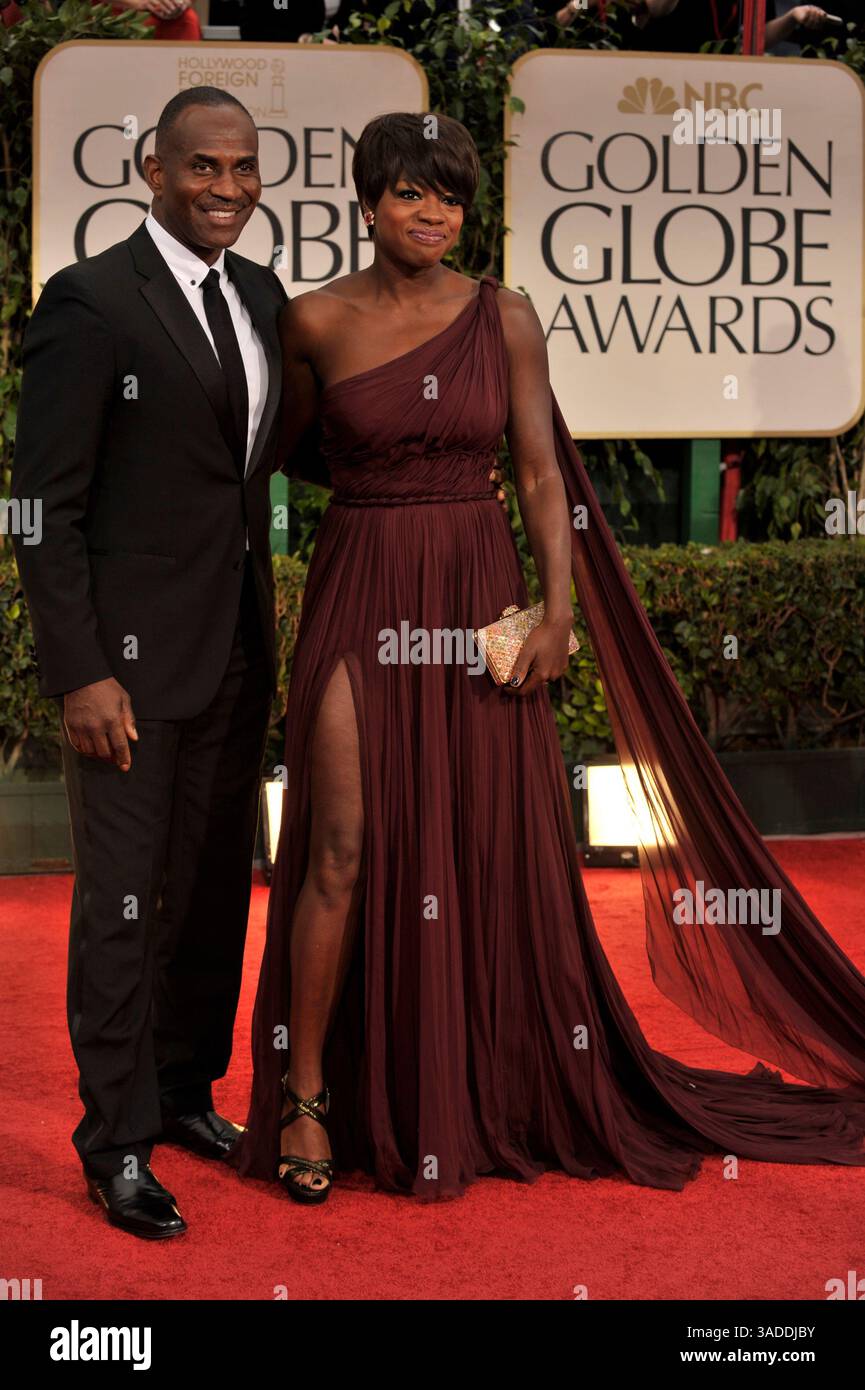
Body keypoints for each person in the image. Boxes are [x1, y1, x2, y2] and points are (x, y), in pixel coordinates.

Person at [232, 110, 865, 1205]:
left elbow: (537, 476)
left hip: (480, 594)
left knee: (480, 846)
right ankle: (307, 1095)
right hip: (360, 584)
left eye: (451, 197)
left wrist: (558, 611)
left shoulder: (504, 317)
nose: (433, 215)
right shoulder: (313, 321)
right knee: (334, 841)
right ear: (366, 201)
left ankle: (480, 1086)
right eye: (410, 194)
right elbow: (277, 459)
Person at [11, 88, 285, 1241]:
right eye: (203, 168)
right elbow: (41, 507)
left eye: (243, 168)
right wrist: (79, 671)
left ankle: (181, 1093)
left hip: (233, 655)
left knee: (215, 892)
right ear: (154, 173)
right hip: (123, 674)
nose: (226, 188)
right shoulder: (89, 303)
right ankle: (115, 1140)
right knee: (122, 908)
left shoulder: (262, 297)